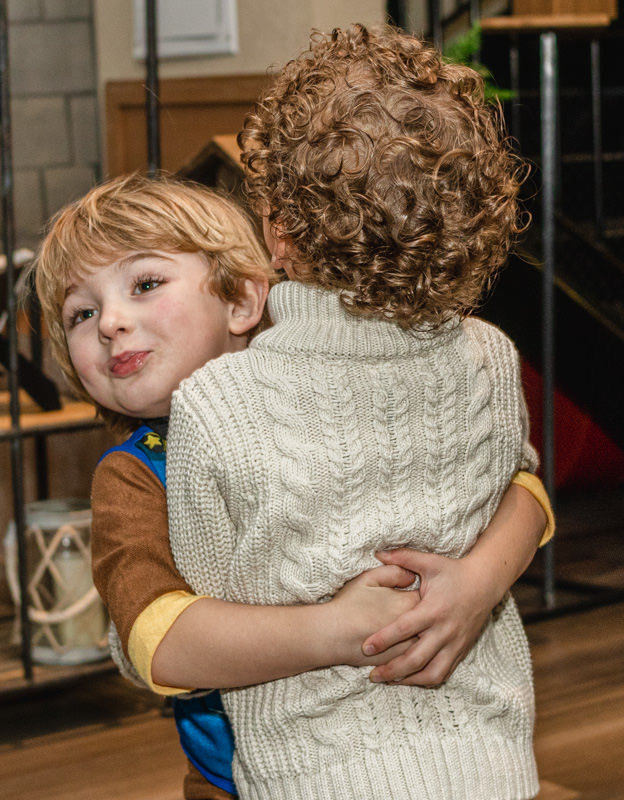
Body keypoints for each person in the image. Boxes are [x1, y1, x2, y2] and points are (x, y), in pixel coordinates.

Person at [32, 173, 553, 799]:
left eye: (145, 284)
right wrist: (338, 630)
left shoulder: (329, 384)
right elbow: (157, 640)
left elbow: (518, 481)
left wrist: (478, 584)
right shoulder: (135, 475)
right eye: (80, 313)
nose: (111, 322)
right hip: (243, 782)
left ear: (243, 301)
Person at [163, 23, 542, 800]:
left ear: (279, 233)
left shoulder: (215, 404)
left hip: (314, 778)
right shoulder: (490, 358)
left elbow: (202, 603)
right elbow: (520, 487)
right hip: (495, 764)